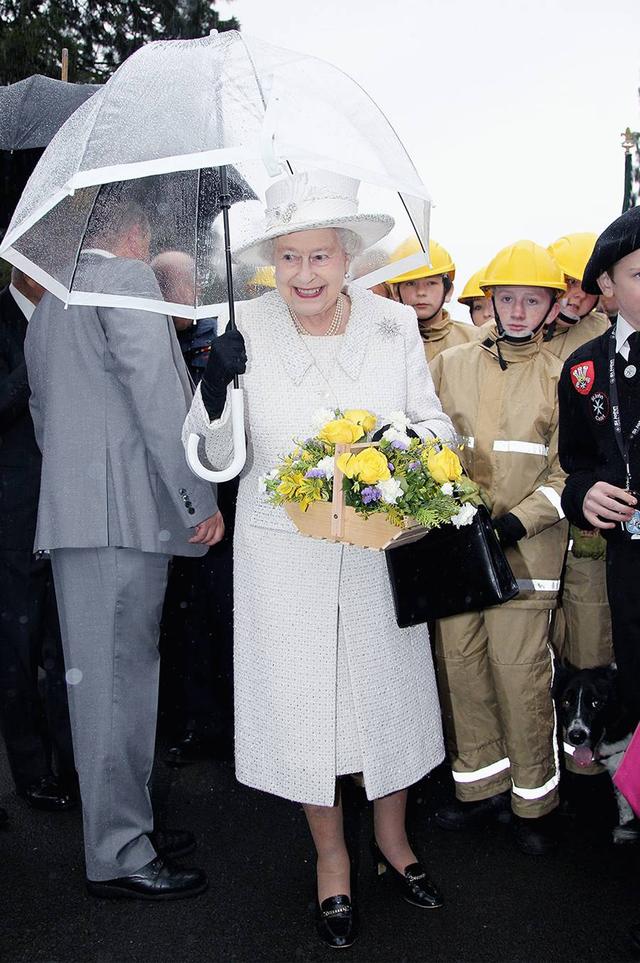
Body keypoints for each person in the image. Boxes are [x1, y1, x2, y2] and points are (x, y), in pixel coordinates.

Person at [183, 169, 455, 948]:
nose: (305, 273)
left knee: (390, 704)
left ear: (347, 257)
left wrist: (400, 460)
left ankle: (394, 843)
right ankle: (332, 858)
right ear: (272, 257)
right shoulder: (247, 328)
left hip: (378, 552)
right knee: (309, 716)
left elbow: (432, 425)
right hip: (284, 559)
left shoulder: (390, 326)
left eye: (321, 256)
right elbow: (213, 457)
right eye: (290, 257)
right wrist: (213, 389)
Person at [24, 197, 222, 900]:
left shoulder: (52, 299)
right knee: (117, 691)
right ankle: (117, 851)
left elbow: (45, 414)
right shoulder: (128, 281)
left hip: (84, 517)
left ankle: (125, 824)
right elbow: (159, 398)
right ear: (133, 234)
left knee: (109, 685)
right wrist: (197, 500)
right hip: (123, 519)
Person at [430, 241, 568, 855]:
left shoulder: (561, 376)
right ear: (488, 299)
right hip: (456, 552)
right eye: (506, 297)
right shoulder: (452, 364)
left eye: (530, 299)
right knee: (461, 672)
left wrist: (517, 523)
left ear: (552, 305)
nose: (516, 310)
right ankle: (480, 794)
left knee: (521, 680)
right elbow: (423, 443)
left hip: (525, 557)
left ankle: (534, 806)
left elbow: (569, 476)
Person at [151, 250, 235, 766]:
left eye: (176, 283)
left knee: (223, 614)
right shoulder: (147, 336)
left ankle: (233, 724)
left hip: (224, 497)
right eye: (160, 283)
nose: (168, 294)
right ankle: (196, 724)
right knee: (182, 624)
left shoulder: (223, 334)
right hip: (169, 500)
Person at [558, 206, 640, 727]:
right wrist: (584, 496)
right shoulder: (585, 367)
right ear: (606, 283)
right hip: (629, 563)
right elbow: (576, 467)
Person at [0, 268, 76, 812]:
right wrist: (35, 363)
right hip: (14, 511)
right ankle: (30, 770)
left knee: (65, 640)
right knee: (17, 649)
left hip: (69, 504)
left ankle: (75, 764)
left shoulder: (69, 319)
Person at [542, 235, 613, 777]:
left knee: (590, 643)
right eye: (561, 284)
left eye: (582, 289)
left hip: (586, 525)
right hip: (537, 522)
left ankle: (590, 773)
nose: (573, 297)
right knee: (540, 658)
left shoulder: (603, 346)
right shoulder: (513, 334)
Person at [387, 237, 479, 362]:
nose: (421, 292)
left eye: (431, 283)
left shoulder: (475, 341)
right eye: (410, 283)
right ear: (395, 292)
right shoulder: (382, 342)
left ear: (448, 291)